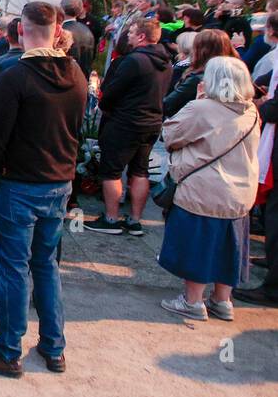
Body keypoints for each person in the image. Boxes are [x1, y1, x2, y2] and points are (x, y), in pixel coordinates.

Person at [0, 2, 88, 378]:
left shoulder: (14, 77)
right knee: (45, 265)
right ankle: (54, 347)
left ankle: (8, 351)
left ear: (21, 30)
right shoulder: (75, 74)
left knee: (13, 269)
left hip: (19, 185)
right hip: (57, 182)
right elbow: (76, 128)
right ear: (57, 31)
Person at [157, 57, 259, 321]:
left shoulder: (202, 108)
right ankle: (222, 301)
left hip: (204, 191)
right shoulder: (251, 111)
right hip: (240, 193)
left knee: (198, 246)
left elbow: (170, 135)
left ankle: (192, 301)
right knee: (229, 247)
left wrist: (198, 98)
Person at [86, 17, 173, 235]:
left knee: (112, 170)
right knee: (140, 170)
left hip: (126, 122)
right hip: (151, 122)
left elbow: (112, 92)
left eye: (132, 32)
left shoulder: (134, 61)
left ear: (142, 36)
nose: (129, 36)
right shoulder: (166, 62)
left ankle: (111, 219)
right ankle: (135, 220)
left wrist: (104, 104)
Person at [162, 29, 236, 119]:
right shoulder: (235, 73)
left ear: (200, 50)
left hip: (193, 122)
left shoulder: (198, 79)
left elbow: (168, 104)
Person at [60, 0, 96, 78]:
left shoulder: (61, 31)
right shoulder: (87, 30)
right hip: (83, 78)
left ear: (62, 9)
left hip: (66, 78)